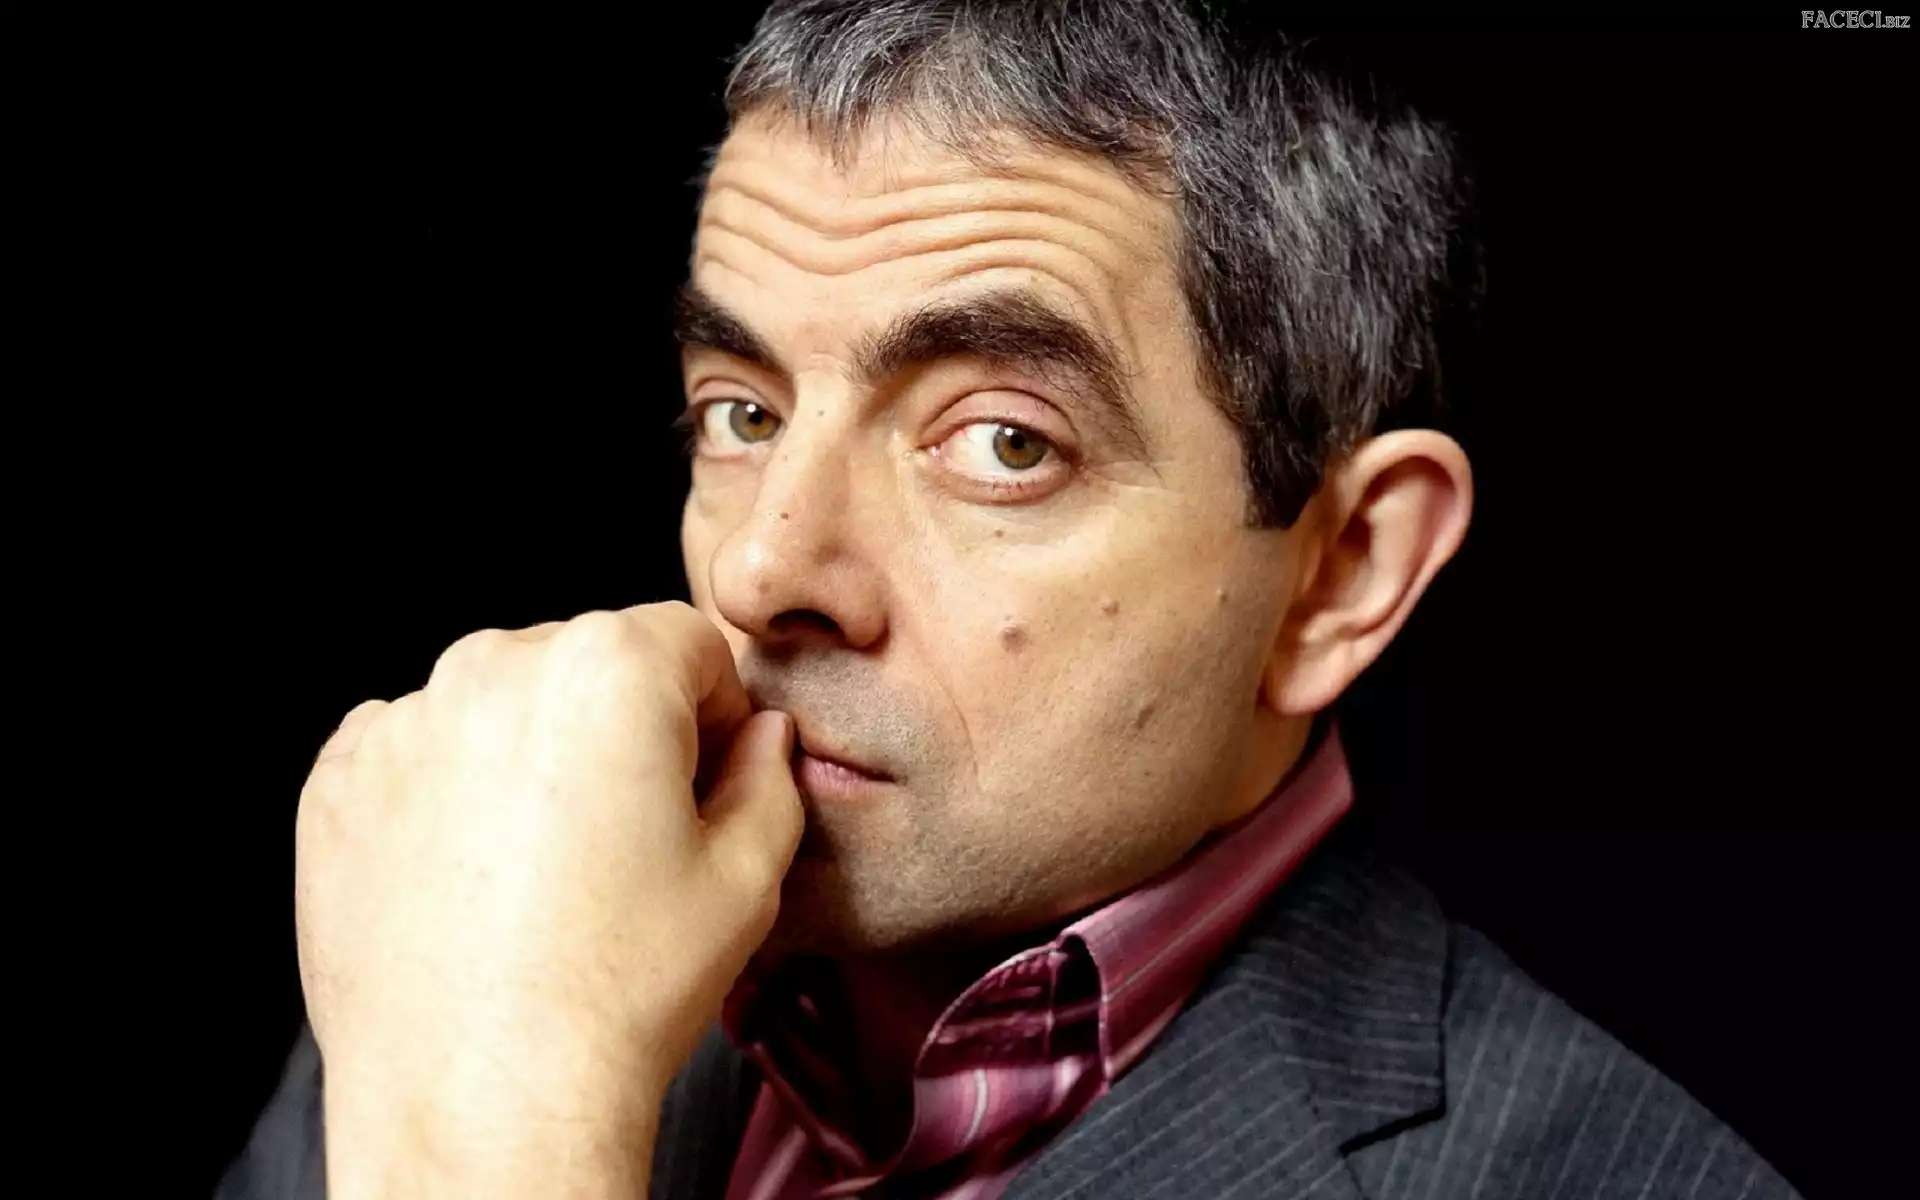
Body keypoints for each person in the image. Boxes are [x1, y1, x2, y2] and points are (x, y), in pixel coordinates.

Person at [219, 2, 1802, 1197]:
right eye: (742, 412)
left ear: (1343, 573)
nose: (765, 572)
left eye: (1002, 442)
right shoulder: (492, 922)